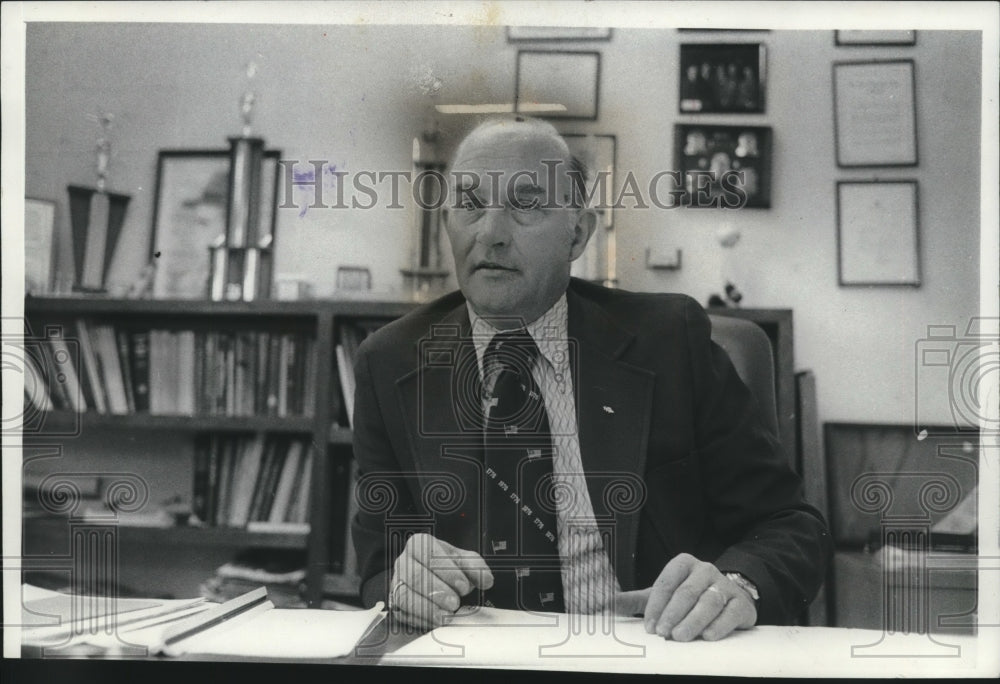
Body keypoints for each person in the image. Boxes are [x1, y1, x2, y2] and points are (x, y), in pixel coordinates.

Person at [350, 117, 831, 642]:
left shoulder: (669, 341)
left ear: (577, 233)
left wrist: (737, 584)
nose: (490, 233)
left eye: (527, 205)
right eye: (469, 204)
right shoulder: (390, 362)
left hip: (649, 653)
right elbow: (378, 566)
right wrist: (403, 581)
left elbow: (791, 524)